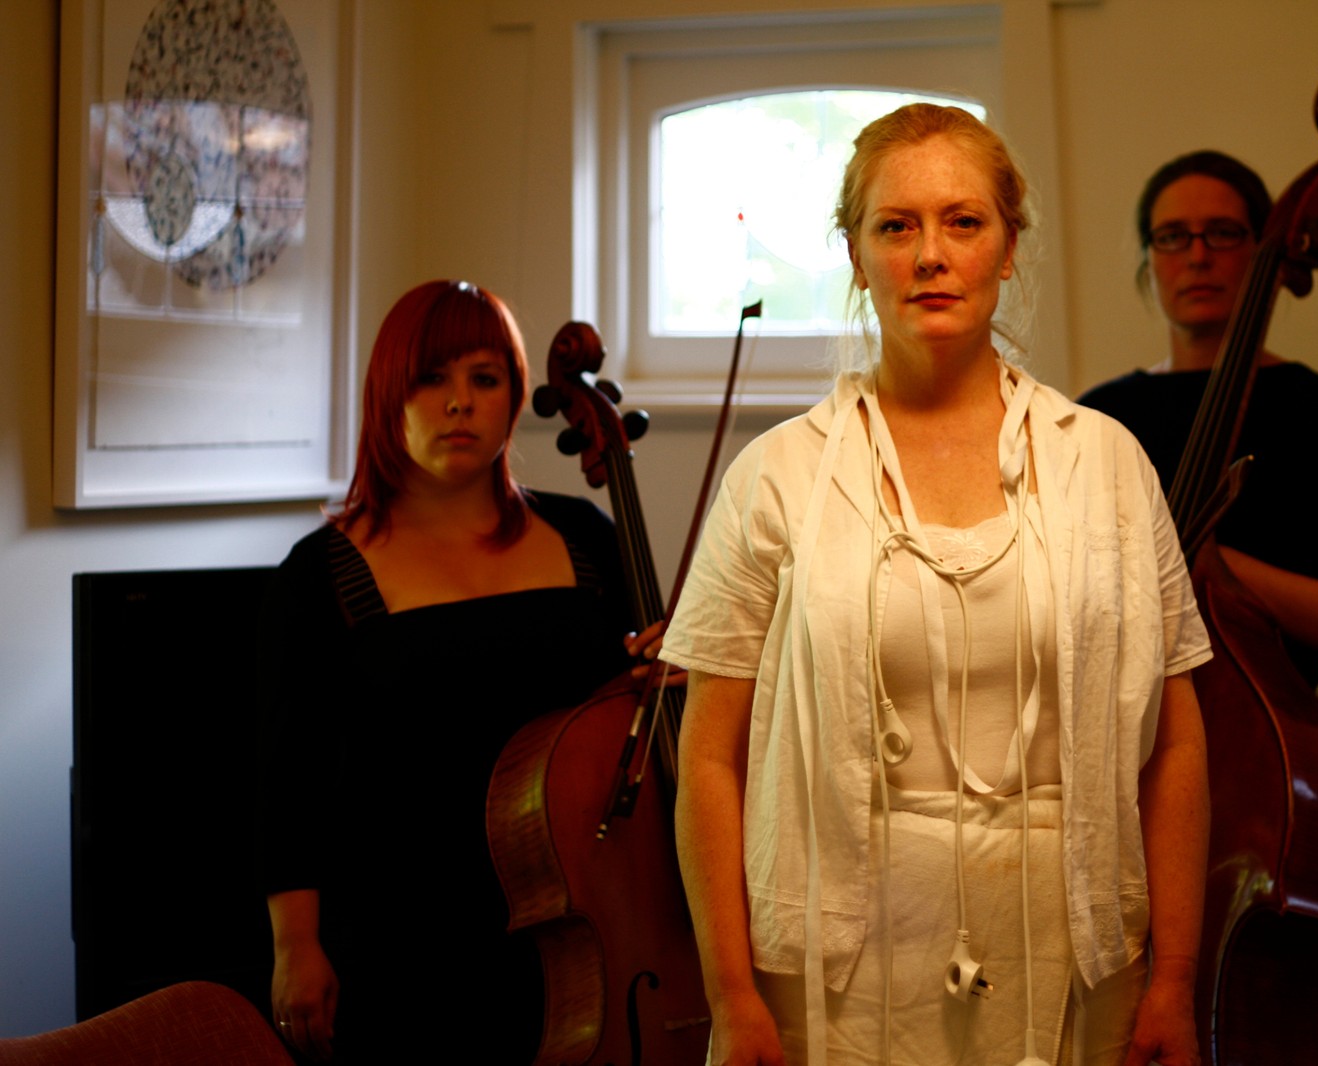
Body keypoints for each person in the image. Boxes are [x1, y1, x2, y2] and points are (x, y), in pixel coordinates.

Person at [662, 105, 1213, 1066]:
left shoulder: (1110, 466)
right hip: (836, 977)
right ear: (856, 251)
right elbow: (709, 758)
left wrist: (1174, 979)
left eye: (963, 222)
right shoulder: (775, 476)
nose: (930, 254)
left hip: (1076, 962)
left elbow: (1176, 742)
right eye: (896, 225)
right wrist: (731, 993)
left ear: (1008, 249)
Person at [256, 280, 666, 1064]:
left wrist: (660, 678)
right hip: (399, 935)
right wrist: (294, 945)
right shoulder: (318, 576)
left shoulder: (582, 534)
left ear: (515, 397)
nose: (459, 403)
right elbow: (287, 781)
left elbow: (626, 723)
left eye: (485, 379)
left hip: (577, 920)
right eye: (432, 379)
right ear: (389, 393)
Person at [1075, 151, 1318, 688]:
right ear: (1148, 260)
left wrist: (1212, 562)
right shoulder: (1099, 417)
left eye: (1223, 232)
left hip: (1267, 728)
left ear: (1261, 251)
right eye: (1173, 236)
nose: (1198, 256)